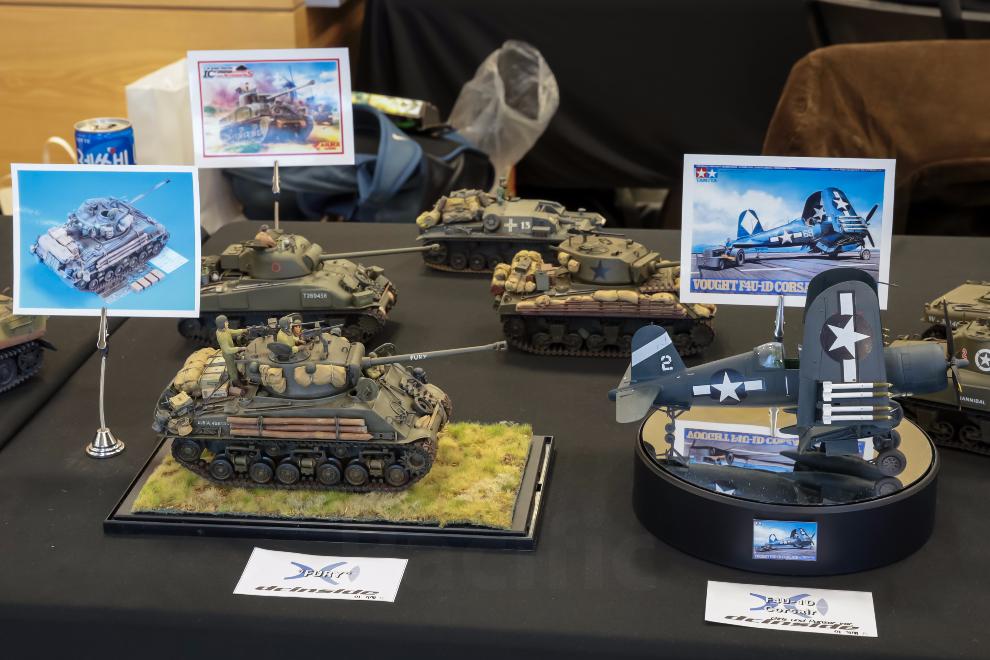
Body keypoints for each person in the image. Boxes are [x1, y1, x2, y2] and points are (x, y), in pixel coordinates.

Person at [215, 314, 246, 385]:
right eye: (226, 322)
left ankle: (239, 377)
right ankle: (235, 382)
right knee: (232, 369)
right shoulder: (222, 336)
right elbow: (227, 350)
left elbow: (233, 331)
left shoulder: (224, 330)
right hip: (228, 355)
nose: (228, 323)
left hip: (232, 352)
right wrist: (240, 348)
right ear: (221, 324)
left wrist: (244, 330)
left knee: (236, 364)